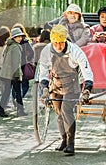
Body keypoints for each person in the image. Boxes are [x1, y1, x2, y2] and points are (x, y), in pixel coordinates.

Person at [38, 24, 94, 155]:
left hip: (72, 85)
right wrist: (44, 89)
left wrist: (87, 89)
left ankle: (71, 143)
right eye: (55, 43)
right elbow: (43, 71)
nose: (58, 46)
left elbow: (87, 71)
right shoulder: (46, 51)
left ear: (65, 41)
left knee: (66, 111)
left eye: (61, 43)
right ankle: (63, 140)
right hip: (56, 84)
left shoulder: (75, 51)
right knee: (58, 114)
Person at [0, 28, 27, 117]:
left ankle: (0, 109)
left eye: (20, 36)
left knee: (6, 92)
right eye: (17, 37)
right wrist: (17, 75)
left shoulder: (9, 46)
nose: (20, 38)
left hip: (7, 73)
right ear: (14, 37)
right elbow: (16, 63)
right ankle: (20, 111)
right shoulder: (16, 47)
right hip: (14, 74)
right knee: (18, 92)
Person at [11, 23, 34, 101]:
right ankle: (18, 98)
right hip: (23, 64)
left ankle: (15, 98)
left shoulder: (11, 42)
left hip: (13, 66)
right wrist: (28, 58)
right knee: (25, 85)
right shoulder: (25, 41)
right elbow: (31, 52)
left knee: (15, 85)